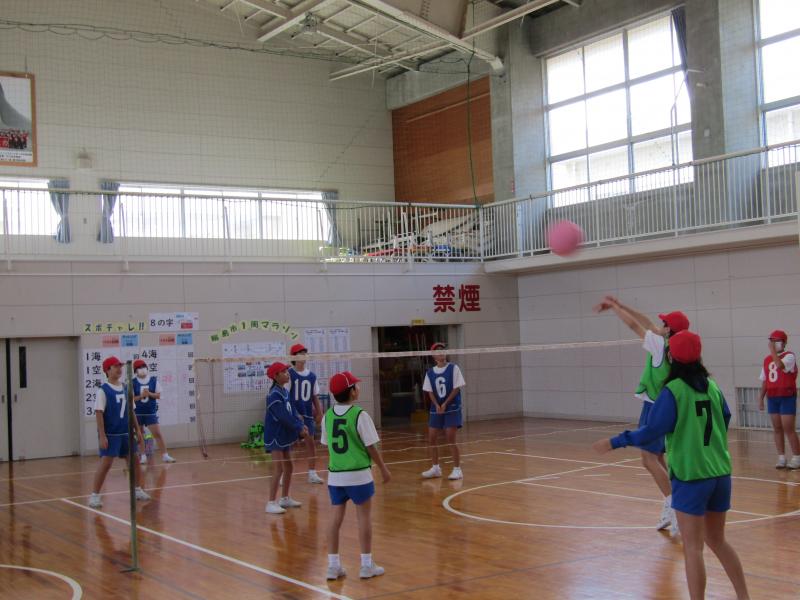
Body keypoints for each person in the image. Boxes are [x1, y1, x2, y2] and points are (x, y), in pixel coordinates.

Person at [593, 331, 750, 600]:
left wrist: (616, 441)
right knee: (718, 540)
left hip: (692, 476)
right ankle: (744, 596)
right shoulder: (712, 386)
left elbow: (651, 431)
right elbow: (725, 416)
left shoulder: (674, 391)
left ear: (670, 357)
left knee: (693, 548)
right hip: (720, 473)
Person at [594, 297, 689, 532]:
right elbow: (647, 323)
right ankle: (672, 504)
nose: (659, 326)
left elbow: (635, 325)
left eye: (664, 324)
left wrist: (615, 309)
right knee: (657, 458)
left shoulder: (659, 345)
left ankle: (676, 507)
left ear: (669, 330)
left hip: (656, 406)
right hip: (668, 404)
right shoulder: (677, 347)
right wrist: (622, 305)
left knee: (647, 459)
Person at [322, 371, 391, 580]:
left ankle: (333, 566)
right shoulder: (360, 415)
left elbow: (327, 445)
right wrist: (383, 468)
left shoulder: (327, 416)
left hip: (336, 476)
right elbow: (371, 446)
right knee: (364, 518)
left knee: (335, 519)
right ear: (352, 392)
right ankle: (366, 565)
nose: (358, 388)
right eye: (356, 386)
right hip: (359, 475)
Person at [88, 356, 151, 509]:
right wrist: (102, 435)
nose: (119, 369)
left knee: (134, 461)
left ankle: (137, 489)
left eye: (120, 366)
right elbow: (98, 413)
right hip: (111, 434)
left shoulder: (125, 387)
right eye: (115, 366)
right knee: (106, 464)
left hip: (126, 433)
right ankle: (94, 495)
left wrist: (138, 431)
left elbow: (131, 410)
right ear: (107, 370)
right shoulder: (103, 390)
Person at [264, 362, 308, 515]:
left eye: (287, 371)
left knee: (289, 466)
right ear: (276, 376)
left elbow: (292, 411)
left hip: (284, 435)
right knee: (279, 468)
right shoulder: (274, 395)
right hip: (275, 435)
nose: (288, 374)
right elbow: (283, 416)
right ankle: (270, 502)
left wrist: (300, 422)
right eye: (284, 372)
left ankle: (285, 498)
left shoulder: (284, 391)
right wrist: (298, 428)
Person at [421, 343, 465, 481]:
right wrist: (436, 405)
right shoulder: (430, 372)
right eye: (438, 351)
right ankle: (435, 468)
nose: (441, 352)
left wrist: (445, 403)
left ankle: (457, 469)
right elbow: (429, 391)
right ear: (433, 356)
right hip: (437, 407)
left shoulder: (453, 368)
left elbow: (457, 388)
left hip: (451, 407)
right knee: (432, 437)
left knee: (450, 438)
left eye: (443, 350)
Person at [758, 330, 800, 469]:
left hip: (786, 396)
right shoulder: (767, 360)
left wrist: (772, 352)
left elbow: (780, 366)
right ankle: (781, 457)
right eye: (772, 341)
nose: (774, 344)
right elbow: (765, 380)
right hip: (772, 397)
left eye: (777, 341)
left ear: (784, 342)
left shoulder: (789, 356)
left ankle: (797, 457)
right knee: (777, 428)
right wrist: (761, 398)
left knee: (789, 428)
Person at [288, 343, 324, 484]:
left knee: (311, 444)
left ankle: (312, 473)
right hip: (293, 416)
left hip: (307, 415)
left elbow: (315, 396)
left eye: (305, 353)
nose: (304, 355)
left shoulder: (312, 376)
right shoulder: (289, 374)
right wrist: (294, 413)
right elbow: (286, 396)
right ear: (293, 357)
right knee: (289, 445)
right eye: (300, 353)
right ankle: (285, 473)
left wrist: (320, 412)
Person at [132, 358, 176, 465]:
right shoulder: (133, 382)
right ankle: (143, 456)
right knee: (140, 435)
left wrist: (150, 394)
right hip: (137, 413)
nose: (142, 369)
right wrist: (141, 396)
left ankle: (165, 455)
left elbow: (159, 395)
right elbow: (131, 398)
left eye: (143, 367)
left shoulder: (153, 380)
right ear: (135, 371)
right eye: (139, 368)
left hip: (150, 412)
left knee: (157, 433)